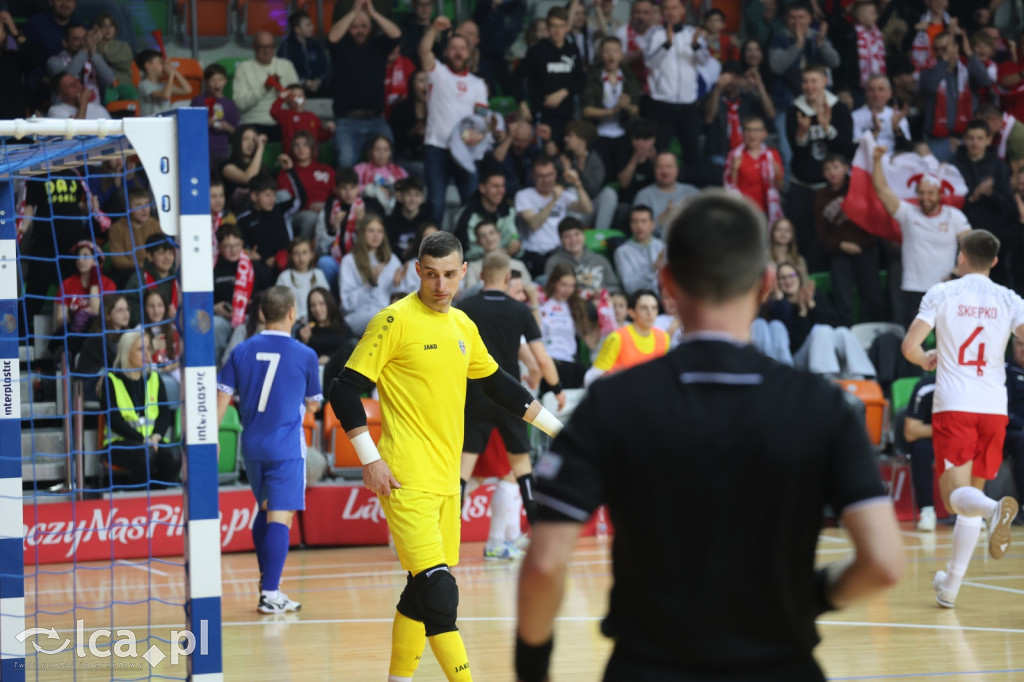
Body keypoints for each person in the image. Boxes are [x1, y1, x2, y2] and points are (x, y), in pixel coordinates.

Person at [516, 190, 904, 682]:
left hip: (649, 667)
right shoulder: (822, 405)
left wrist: (532, 671)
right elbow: (885, 563)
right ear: (766, 283)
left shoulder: (613, 404)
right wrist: (813, 596)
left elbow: (545, 566)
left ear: (668, 283)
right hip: (781, 666)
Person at [327, 230, 563, 681]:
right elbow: (344, 387)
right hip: (404, 477)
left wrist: (558, 430)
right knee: (441, 592)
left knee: (420, 592)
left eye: (450, 275)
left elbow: (500, 387)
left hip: (446, 481)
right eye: (431, 275)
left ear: (464, 273)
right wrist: (369, 458)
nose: (440, 286)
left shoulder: (463, 326)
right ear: (417, 271)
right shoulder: (394, 322)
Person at [901, 229, 1023, 608]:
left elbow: (909, 346)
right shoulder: (1010, 299)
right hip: (993, 407)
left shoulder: (943, 292)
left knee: (956, 500)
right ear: (995, 261)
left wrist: (925, 358)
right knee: (970, 494)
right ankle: (950, 587)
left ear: (961, 257)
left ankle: (993, 510)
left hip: (955, 404)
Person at [218, 286, 322, 614]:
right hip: (286, 446)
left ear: (262, 313)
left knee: (264, 509)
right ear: (292, 312)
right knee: (281, 514)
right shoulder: (305, 354)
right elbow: (313, 405)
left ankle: (268, 584)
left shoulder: (241, 350)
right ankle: (270, 592)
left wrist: (208, 442)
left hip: (252, 446)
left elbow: (221, 400)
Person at [458, 252, 566, 556]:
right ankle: (539, 540)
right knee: (521, 468)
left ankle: (444, 538)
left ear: (481, 277)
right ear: (507, 279)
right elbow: (541, 358)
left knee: (463, 473)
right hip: (509, 396)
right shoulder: (519, 311)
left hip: (474, 395)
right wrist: (556, 388)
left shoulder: (464, 308)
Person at [871, 144, 971, 327]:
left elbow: (971, 246)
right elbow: (882, 191)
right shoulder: (908, 213)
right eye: (922, 193)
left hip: (945, 289)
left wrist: (958, 272)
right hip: (913, 288)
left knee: (946, 343)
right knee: (914, 347)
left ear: (940, 194)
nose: (926, 198)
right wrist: (877, 160)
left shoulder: (954, 216)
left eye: (931, 193)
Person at [420, 15, 489, 224]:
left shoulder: (477, 84)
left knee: (471, 202)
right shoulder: (438, 73)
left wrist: (481, 133)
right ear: (446, 52)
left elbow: (482, 116)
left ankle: (468, 249)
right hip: (437, 148)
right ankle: (432, 252)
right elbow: (424, 51)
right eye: (453, 47)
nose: (458, 52)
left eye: (463, 48)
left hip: (465, 150)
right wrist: (434, 29)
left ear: (469, 53)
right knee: (436, 203)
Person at [327, 0, 401, 168]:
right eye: (355, 27)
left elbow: (396, 34)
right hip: (347, 121)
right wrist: (353, 12)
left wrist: (373, 13)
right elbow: (332, 37)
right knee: (345, 161)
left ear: (370, 27)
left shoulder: (378, 45)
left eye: (364, 26)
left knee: (388, 158)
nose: (359, 30)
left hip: (376, 120)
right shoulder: (341, 47)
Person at [102, 331, 181, 487]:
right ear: (126, 352)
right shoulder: (110, 380)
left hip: (152, 441)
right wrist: (142, 439)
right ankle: (137, 502)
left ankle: (159, 498)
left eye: (148, 349)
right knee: (146, 455)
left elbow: (164, 415)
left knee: (175, 454)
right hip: (121, 443)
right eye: (140, 349)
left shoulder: (155, 378)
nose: (146, 354)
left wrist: (156, 436)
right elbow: (115, 421)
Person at [814, 153, 883, 326]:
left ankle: (871, 337)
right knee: (844, 301)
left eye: (836, 167)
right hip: (838, 253)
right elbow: (821, 234)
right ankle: (845, 338)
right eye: (827, 169)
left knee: (873, 297)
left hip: (865, 249)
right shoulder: (820, 197)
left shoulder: (857, 188)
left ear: (846, 168)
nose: (832, 173)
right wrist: (841, 245)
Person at [642, 0, 710, 167]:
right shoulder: (654, 33)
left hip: (688, 104)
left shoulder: (693, 33)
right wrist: (667, 44)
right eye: (666, 8)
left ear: (682, 10)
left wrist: (695, 45)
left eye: (674, 8)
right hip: (662, 104)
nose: (671, 12)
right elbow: (649, 62)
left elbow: (704, 60)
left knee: (692, 151)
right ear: (662, 12)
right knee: (660, 150)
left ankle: (693, 188)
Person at [515, 154, 593, 277]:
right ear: (533, 176)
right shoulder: (524, 195)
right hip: (535, 253)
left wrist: (577, 184)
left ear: (555, 174)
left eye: (549, 175)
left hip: (559, 251)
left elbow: (587, 209)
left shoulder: (562, 194)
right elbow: (534, 223)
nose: (546, 180)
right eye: (541, 176)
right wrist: (554, 200)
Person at [584, 289, 668, 386]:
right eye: (644, 308)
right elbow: (592, 377)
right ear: (632, 312)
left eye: (654, 308)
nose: (650, 312)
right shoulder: (617, 337)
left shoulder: (664, 338)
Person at [233, 31, 301, 139]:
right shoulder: (243, 68)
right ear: (254, 48)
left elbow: (298, 101)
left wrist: (280, 87)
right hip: (253, 121)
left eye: (270, 46)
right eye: (262, 47)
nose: (267, 51)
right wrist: (265, 88)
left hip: (282, 121)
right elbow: (240, 104)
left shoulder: (286, 65)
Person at [543, 216, 621, 298]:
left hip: (600, 304)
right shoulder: (554, 262)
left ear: (584, 235)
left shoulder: (600, 260)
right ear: (561, 240)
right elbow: (549, 290)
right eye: (567, 236)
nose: (573, 240)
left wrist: (601, 292)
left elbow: (615, 288)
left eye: (577, 234)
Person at [903, 373, 938, 532]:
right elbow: (910, 432)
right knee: (921, 449)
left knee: (971, 445)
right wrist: (947, 429)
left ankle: (971, 512)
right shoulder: (925, 387)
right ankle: (927, 510)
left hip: (956, 438)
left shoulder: (969, 385)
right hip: (931, 437)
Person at [193, 64, 240, 165]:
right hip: (202, 149)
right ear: (206, 82)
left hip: (223, 150)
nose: (217, 83)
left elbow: (237, 131)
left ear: (225, 81)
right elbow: (191, 127)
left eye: (220, 79)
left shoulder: (230, 104)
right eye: (213, 80)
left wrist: (227, 127)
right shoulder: (198, 101)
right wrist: (207, 123)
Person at [277, 10, 330, 96]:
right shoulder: (286, 47)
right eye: (308, 25)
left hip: (318, 89)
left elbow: (324, 65)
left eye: (311, 24)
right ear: (297, 30)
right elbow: (285, 70)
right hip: (295, 91)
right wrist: (304, 82)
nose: (312, 27)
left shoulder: (315, 44)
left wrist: (318, 81)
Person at [615, 205, 664, 296]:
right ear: (630, 225)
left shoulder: (662, 247)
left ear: (652, 225)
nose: (639, 226)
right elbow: (630, 287)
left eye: (644, 221)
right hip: (639, 300)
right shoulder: (622, 252)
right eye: (635, 222)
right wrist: (652, 269)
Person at [135, 49, 191, 117]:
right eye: (161, 63)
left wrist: (174, 70)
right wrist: (171, 75)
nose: (164, 66)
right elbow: (165, 95)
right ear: (148, 65)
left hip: (165, 120)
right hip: (151, 122)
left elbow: (187, 90)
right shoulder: (144, 84)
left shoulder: (164, 85)